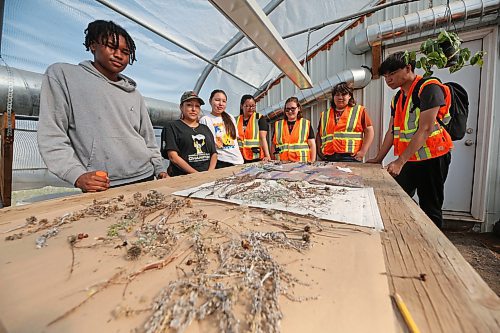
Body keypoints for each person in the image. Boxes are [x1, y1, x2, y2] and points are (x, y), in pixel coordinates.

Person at [37, 20, 168, 192]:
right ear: (92, 45)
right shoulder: (64, 75)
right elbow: (52, 134)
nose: (119, 55)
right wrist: (76, 174)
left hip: (145, 175)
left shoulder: (134, 94)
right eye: (111, 47)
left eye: (125, 52)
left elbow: (148, 139)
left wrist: (159, 168)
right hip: (102, 183)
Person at [368, 51, 453, 228]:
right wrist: (378, 158)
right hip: (410, 159)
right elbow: (392, 131)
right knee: (396, 196)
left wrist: (399, 162)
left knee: (430, 206)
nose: (388, 80)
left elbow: (426, 128)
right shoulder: (398, 98)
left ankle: (435, 248)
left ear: (408, 68)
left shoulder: (428, 88)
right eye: (385, 76)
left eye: (392, 74)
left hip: (432, 158)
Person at [161, 91, 217, 176]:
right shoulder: (172, 127)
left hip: (207, 176)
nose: (194, 109)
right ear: (181, 107)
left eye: (197, 106)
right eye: (189, 105)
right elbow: (173, 157)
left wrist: (210, 173)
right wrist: (196, 174)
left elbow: (214, 153)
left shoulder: (205, 128)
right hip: (183, 177)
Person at [316, 82, 374, 162]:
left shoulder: (359, 111)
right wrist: (319, 153)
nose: (340, 97)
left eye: (343, 94)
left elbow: (369, 131)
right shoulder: (325, 114)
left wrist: (362, 152)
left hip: (350, 157)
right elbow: (319, 135)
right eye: (337, 95)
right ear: (333, 97)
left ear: (349, 96)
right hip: (329, 157)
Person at [200, 89, 244, 168]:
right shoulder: (205, 119)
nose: (220, 104)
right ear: (210, 101)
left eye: (224, 101)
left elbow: (235, 139)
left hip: (238, 161)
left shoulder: (230, 117)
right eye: (217, 100)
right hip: (220, 162)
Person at [272, 97, 316, 162]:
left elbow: (312, 145)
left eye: (293, 109)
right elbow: (273, 146)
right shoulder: (278, 125)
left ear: (298, 109)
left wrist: (312, 162)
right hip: (283, 164)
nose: (290, 111)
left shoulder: (305, 124)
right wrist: (273, 162)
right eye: (287, 109)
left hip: (302, 164)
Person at [236, 95, 271, 163]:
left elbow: (263, 138)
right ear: (241, 106)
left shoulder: (260, 118)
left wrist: (267, 156)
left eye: (253, 106)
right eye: (248, 106)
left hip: (255, 157)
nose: (251, 108)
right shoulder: (235, 120)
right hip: (239, 158)